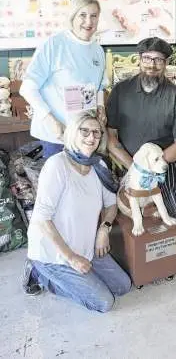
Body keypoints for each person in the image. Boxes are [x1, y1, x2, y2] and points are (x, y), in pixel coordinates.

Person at [22, 111, 131, 313]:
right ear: (73, 132)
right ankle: (42, 274)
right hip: (55, 253)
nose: (91, 137)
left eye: (97, 133)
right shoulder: (57, 165)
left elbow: (111, 205)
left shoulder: (98, 165)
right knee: (104, 302)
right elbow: (41, 217)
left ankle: (80, 277)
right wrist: (71, 257)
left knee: (122, 287)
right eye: (85, 131)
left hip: (86, 245)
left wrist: (104, 229)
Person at [106, 37, 176, 222]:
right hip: (128, 164)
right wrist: (136, 168)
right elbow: (111, 137)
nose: (152, 65)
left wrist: (152, 168)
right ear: (139, 59)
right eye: (147, 58)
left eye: (158, 60)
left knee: (174, 212)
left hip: (165, 164)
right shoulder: (120, 91)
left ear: (166, 63)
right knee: (123, 209)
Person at [20, 0, 108, 159]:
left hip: (84, 136)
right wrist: (51, 120)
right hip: (57, 134)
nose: (88, 22)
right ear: (72, 16)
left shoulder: (98, 50)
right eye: (83, 15)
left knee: (84, 181)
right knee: (60, 182)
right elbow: (28, 88)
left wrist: (101, 107)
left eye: (94, 16)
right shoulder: (54, 44)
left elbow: (100, 86)